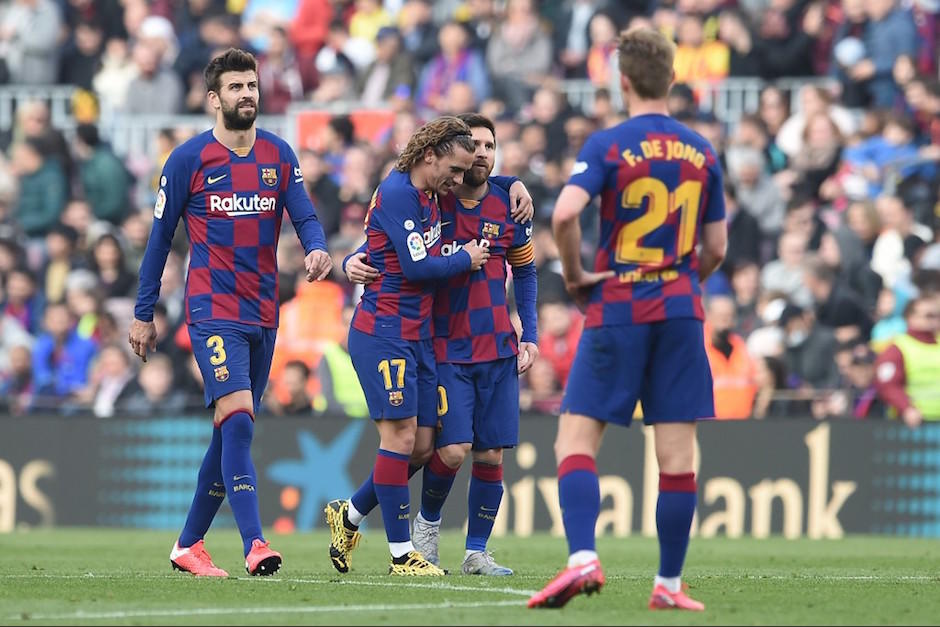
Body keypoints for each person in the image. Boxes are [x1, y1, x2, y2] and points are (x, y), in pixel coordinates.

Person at [527, 28, 727, 611]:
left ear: (623, 81)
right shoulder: (702, 150)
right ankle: (667, 585)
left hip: (619, 303)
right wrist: (684, 283)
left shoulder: (610, 143)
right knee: (678, 458)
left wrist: (573, 273)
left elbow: (565, 213)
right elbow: (715, 247)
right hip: (681, 310)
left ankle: (583, 557)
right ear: (672, 78)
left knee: (575, 440)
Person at [128, 48, 332, 578]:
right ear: (214, 99)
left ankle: (188, 545)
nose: (248, 94)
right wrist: (143, 312)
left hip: (264, 310)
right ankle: (255, 543)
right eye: (237, 87)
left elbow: (305, 215)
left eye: (253, 85)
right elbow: (159, 240)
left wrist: (316, 247)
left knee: (229, 431)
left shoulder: (279, 154)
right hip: (212, 308)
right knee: (238, 420)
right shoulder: (188, 160)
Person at [339, 113, 539, 575]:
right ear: (453, 157)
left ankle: (475, 552)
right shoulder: (435, 197)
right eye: (476, 147)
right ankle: (421, 534)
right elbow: (385, 242)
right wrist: (352, 259)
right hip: (441, 343)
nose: (483, 155)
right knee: (443, 450)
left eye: (491, 146)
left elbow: (526, 271)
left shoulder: (510, 205)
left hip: (497, 347)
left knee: (487, 455)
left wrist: (529, 333)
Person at [325, 116, 488, 577]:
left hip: (417, 335)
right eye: (453, 171)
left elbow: (380, 245)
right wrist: (466, 257)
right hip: (384, 332)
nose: (458, 181)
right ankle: (401, 556)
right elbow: (415, 267)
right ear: (429, 154)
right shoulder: (398, 192)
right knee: (398, 438)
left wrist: (356, 256)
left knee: (420, 447)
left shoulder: (428, 195)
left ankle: (350, 515)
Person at [874, 295, 940, 427]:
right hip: (915, 425)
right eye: (929, 316)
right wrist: (906, 408)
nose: (935, 320)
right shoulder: (898, 348)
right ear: (911, 317)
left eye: (937, 315)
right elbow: (887, 384)